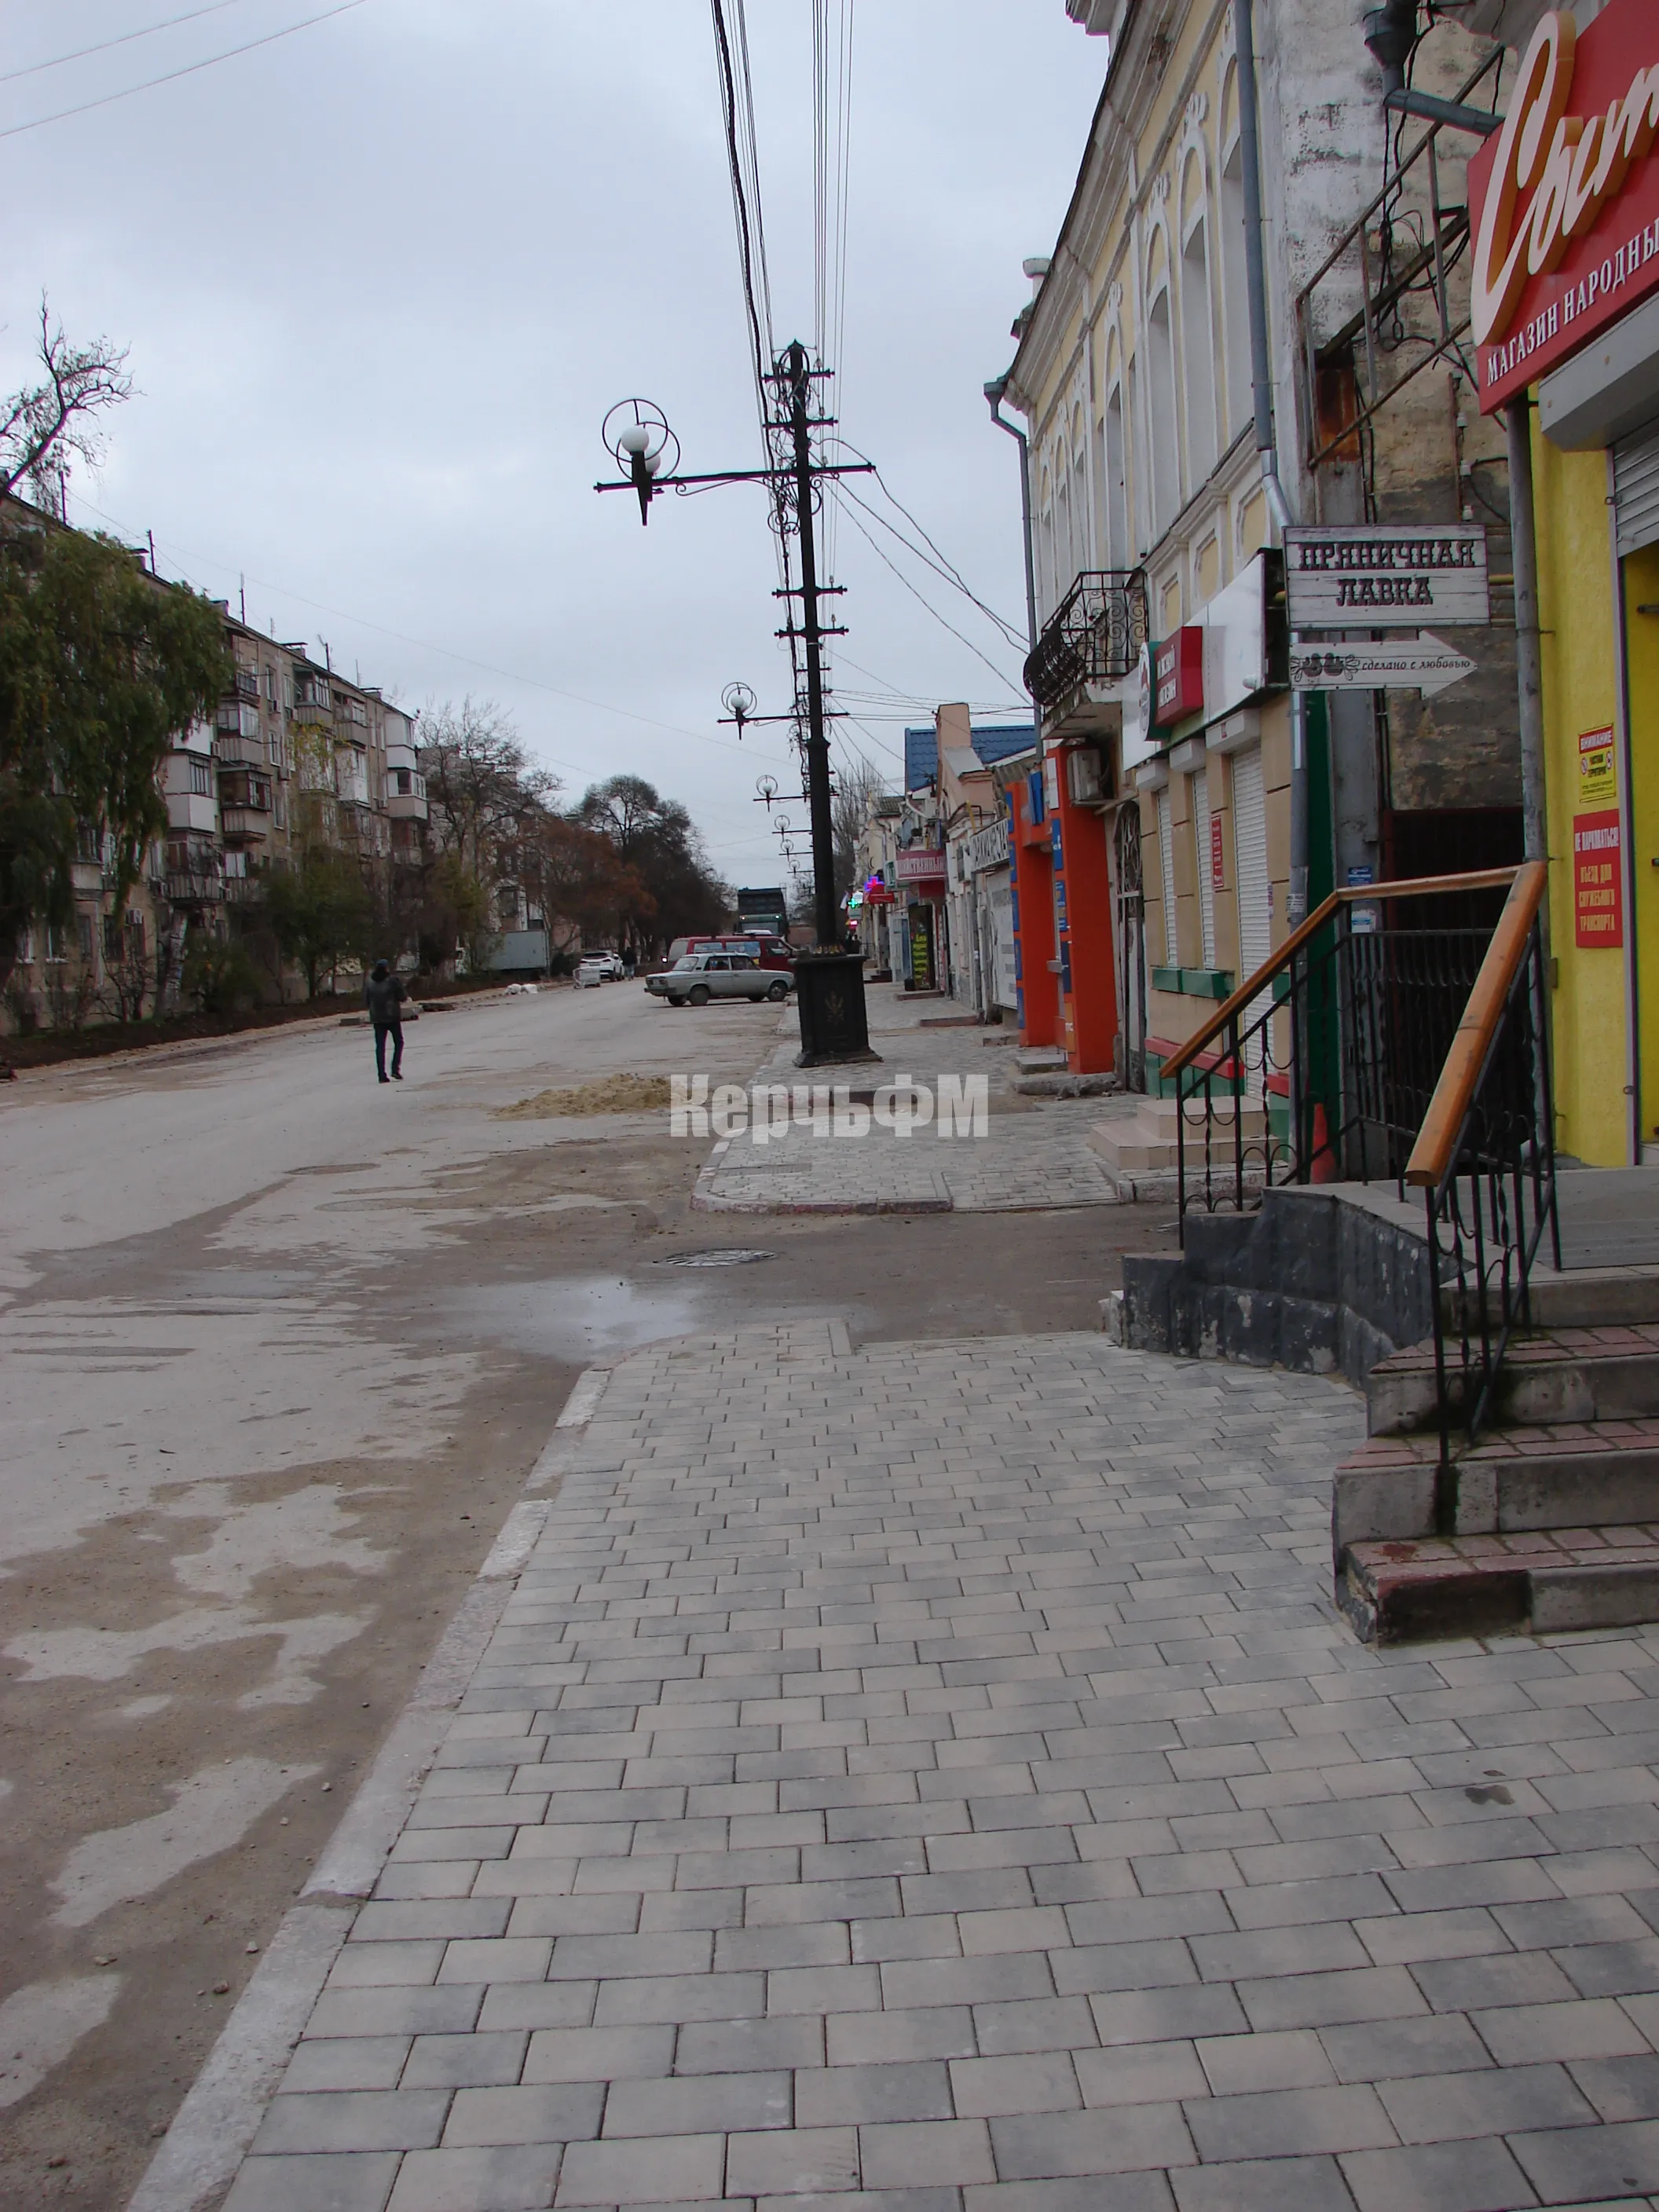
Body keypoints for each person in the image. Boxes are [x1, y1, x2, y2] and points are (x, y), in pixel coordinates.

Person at [364, 958, 407, 1082]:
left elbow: (366, 1000)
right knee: (399, 1042)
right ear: (387, 968)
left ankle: (381, 1075)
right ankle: (395, 1069)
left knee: (380, 1047)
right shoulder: (393, 981)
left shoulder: (370, 982)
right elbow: (402, 997)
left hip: (377, 1018)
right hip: (392, 1017)